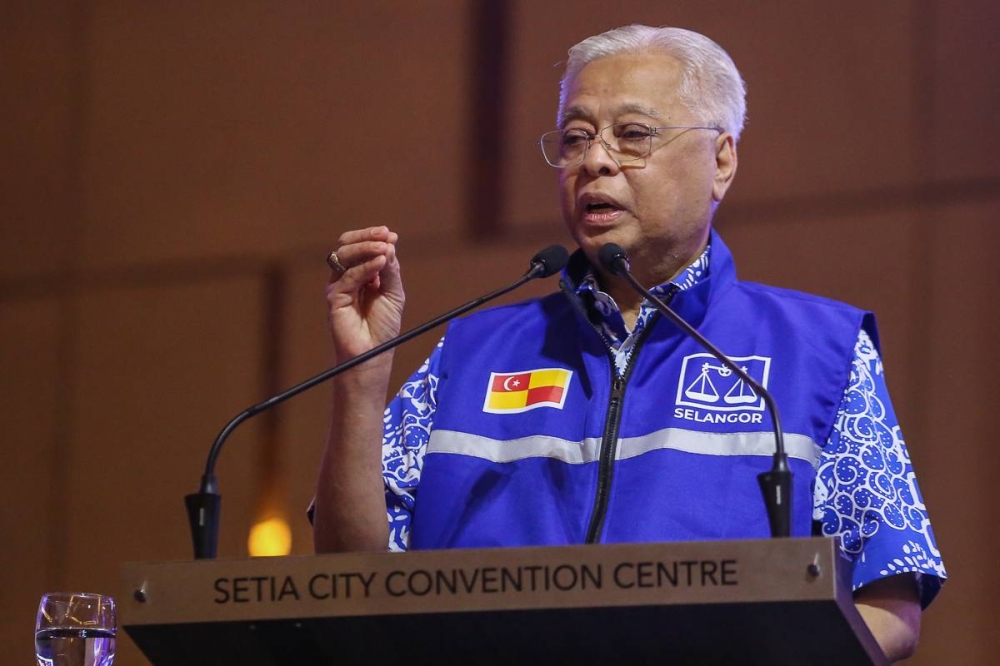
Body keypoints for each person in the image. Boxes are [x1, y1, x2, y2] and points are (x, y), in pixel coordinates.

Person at [313, 25, 945, 662]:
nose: (595, 161)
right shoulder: (471, 353)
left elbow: (888, 601)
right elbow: (353, 584)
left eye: (634, 134)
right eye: (575, 138)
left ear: (721, 160)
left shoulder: (819, 351)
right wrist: (361, 375)